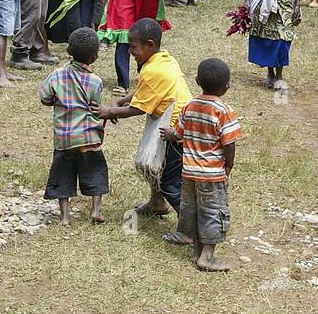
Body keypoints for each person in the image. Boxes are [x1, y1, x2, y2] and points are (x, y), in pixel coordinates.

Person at [96, 17, 191, 217]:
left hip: (174, 130)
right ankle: (157, 203)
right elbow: (145, 91)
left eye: (133, 47)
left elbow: (140, 108)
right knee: (155, 163)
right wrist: (124, 100)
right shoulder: (164, 58)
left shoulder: (154, 70)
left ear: (149, 45)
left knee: (168, 179)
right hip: (174, 121)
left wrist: (110, 111)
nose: (130, 52)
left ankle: (190, 225)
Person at [162, 58, 242, 271]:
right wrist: (228, 166)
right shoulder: (223, 111)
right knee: (213, 212)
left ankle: (196, 251)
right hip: (212, 175)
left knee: (194, 210)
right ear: (227, 86)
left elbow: (178, 134)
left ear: (197, 80)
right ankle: (207, 257)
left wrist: (169, 134)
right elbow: (229, 143)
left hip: (188, 172)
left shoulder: (189, 106)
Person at [39, 27, 108, 225]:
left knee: (63, 174)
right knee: (95, 171)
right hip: (88, 138)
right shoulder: (95, 81)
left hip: (64, 138)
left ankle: (65, 217)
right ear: (94, 57)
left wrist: (54, 100)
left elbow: (44, 97)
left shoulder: (57, 75)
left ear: (69, 51)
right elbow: (96, 107)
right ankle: (96, 209)